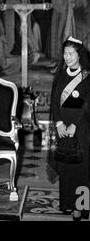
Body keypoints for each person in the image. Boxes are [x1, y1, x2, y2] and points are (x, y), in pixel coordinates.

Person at [50, 36, 90, 221]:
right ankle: (68, 204)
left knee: (80, 169)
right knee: (66, 167)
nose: (67, 57)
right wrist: (59, 123)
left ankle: (81, 207)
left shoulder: (87, 76)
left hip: (81, 130)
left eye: (71, 53)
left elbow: (87, 105)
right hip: (63, 129)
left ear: (79, 55)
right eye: (65, 53)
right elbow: (54, 101)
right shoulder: (61, 74)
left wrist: (75, 124)